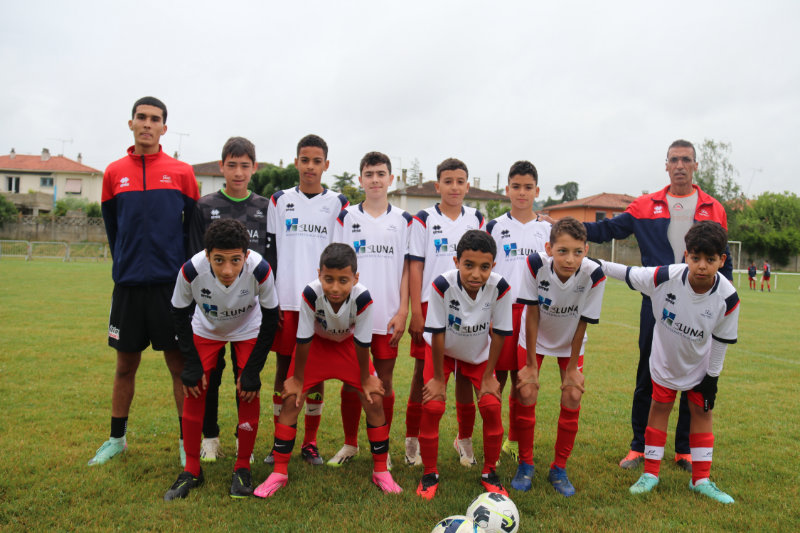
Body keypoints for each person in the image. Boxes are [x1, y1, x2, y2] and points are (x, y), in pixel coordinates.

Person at [583, 139, 732, 472]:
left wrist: (725, 303)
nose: (680, 165)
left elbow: (726, 260)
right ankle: (639, 447)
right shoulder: (646, 205)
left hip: (700, 306)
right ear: (666, 165)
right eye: (674, 160)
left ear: (695, 166)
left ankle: (683, 451)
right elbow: (608, 229)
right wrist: (574, 229)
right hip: (657, 302)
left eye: (686, 160)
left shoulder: (713, 208)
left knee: (694, 375)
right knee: (648, 374)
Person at [89, 96, 199, 466]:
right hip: (129, 286)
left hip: (171, 287)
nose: (147, 124)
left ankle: (187, 442)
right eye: (142, 118)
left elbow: (192, 233)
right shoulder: (112, 173)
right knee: (124, 366)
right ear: (131, 123)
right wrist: (125, 263)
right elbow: (113, 228)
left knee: (178, 366)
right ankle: (116, 439)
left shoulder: (182, 173)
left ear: (164, 128)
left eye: (155, 119)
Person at [602, 221, 739, 504]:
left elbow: (722, 340)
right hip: (665, 362)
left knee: (702, 414)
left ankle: (701, 480)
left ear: (721, 260)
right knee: (659, 407)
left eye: (710, 260)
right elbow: (626, 272)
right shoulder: (663, 277)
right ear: (686, 255)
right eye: (696, 258)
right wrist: (589, 261)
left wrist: (712, 377)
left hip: (700, 366)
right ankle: (650, 473)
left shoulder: (728, 298)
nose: (702, 266)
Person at [253, 243, 402, 497]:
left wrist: (365, 378)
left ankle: (380, 471)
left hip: (348, 347)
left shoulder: (363, 297)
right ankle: (279, 472)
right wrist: (298, 379)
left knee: (374, 399)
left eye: (343, 280)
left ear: (355, 278)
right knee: (291, 399)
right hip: (317, 347)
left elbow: (362, 341)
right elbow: (303, 337)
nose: (334, 287)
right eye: (328, 279)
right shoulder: (311, 293)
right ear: (318, 273)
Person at [164, 219, 279, 500]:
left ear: (246, 256)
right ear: (207, 256)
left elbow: (271, 318)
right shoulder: (191, 270)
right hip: (207, 328)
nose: (228, 270)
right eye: (219, 260)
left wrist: (252, 370)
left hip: (248, 328)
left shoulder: (261, 269)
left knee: (249, 391)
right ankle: (192, 469)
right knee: (194, 388)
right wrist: (191, 364)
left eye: (235, 260)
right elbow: (178, 313)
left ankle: (242, 468)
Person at [264, 134, 349, 465]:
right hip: (286, 300)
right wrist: (272, 298)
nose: (310, 166)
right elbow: (271, 252)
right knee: (284, 369)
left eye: (317, 161)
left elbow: (341, 256)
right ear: (296, 162)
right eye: (305, 160)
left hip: (322, 302)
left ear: (326, 165)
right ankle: (278, 441)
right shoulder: (279, 200)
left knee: (315, 372)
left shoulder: (338, 202)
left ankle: (310, 443)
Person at [188, 136, 269, 463]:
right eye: (232, 165)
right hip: (209, 310)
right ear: (221, 167)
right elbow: (193, 256)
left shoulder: (265, 207)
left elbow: (270, 256)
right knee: (210, 376)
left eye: (244, 165)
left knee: (245, 376)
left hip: (249, 310)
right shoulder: (204, 206)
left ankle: (242, 442)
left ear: (254, 168)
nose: (238, 172)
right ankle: (210, 437)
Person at [416, 230, 513, 499]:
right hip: (442, 351)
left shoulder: (500, 287)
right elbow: (436, 331)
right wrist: (437, 378)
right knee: (433, 405)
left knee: (491, 405)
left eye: (484, 267)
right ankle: (429, 473)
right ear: (456, 261)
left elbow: (502, 332)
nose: (475, 274)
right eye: (468, 265)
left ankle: (490, 473)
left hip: (478, 353)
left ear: (493, 266)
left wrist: (490, 374)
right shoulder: (441, 285)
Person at [329, 152, 411, 467]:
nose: (375, 179)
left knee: (384, 384)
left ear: (391, 179)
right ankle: (350, 444)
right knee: (352, 382)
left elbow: (406, 270)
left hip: (388, 316)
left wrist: (403, 311)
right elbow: (336, 265)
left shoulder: (404, 220)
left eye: (380, 174)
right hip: (352, 317)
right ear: (360, 179)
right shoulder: (346, 218)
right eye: (369, 174)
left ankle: (383, 450)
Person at [513, 218, 606, 495]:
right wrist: (531, 365)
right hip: (534, 338)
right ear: (548, 248)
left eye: (578, 251)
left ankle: (559, 468)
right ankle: (526, 464)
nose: (570, 259)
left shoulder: (594, 275)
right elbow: (532, 313)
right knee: (527, 391)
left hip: (571, 342)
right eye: (562, 251)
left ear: (586, 250)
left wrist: (572, 369)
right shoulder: (534, 265)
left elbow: (583, 323)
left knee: (573, 394)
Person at [406, 158, 485, 468]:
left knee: (465, 373)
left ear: (467, 185)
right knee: (420, 374)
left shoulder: (477, 218)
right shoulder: (423, 219)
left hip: (470, 306)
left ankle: (463, 439)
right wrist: (416, 310)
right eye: (448, 181)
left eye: (460, 181)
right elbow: (415, 265)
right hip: (431, 306)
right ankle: (412, 437)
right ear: (437, 186)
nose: (454, 187)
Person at [485, 160, 551, 464]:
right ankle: (493, 445)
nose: (522, 193)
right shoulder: (494, 227)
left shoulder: (549, 229)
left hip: (534, 314)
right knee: (495, 379)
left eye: (528, 187)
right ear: (507, 189)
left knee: (523, 380)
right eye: (516, 187)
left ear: (537, 191)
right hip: (501, 310)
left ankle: (516, 443)